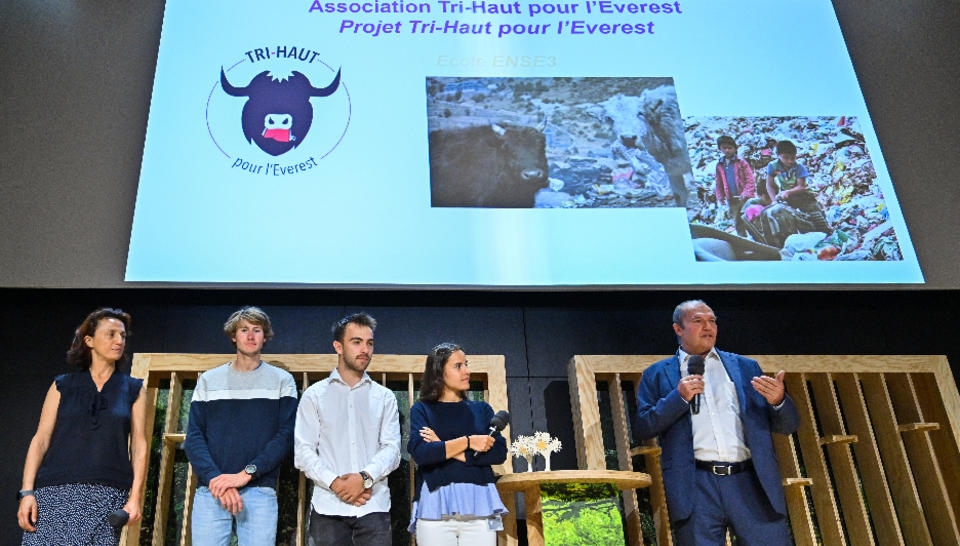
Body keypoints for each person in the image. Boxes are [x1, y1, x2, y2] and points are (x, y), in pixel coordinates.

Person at [634, 300, 800, 545]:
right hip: (695, 486)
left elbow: (788, 426)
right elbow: (643, 426)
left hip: (750, 482)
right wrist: (678, 398)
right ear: (678, 329)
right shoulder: (658, 374)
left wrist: (778, 401)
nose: (708, 326)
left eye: (712, 321)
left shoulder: (745, 367)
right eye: (698, 321)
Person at [17, 308, 147, 545]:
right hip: (54, 492)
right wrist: (27, 492)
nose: (119, 341)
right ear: (90, 341)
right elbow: (41, 440)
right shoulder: (62, 385)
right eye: (111, 334)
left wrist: (135, 497)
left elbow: (139, 445)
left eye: (123, 336)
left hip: (107, 493)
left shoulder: (133, 388)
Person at [183, 306, 297, 544]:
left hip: (259, 490)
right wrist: (217, 479)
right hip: (211, 490)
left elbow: (285, 436)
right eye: (244, 330)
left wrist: (245, 475)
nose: (251, 335)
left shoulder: (282, 381)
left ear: (265, 337)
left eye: (257, 330)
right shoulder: (208, 380)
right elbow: (194, 437)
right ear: (233, 336)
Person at [294, 313, 401, 545]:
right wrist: (336, 483)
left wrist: (363, 478)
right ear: (338, 347)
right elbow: (303, 452)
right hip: (327, 509)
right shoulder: (314, 395)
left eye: (369, 343)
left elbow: (392, 450)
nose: (365, 349)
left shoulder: (385, 397)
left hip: (373, 507)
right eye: (356, 342)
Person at [407, 343, 508, 546]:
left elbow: (498, 452)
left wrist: (443, 446)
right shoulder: (422, 410)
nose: (467, 371)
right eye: (458, 366)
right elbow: (422, 453)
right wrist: (469, 442)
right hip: (434, 509)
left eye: (466, 365)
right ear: (438, 372)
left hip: (479, 506)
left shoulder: (482, 409)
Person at [764, 139, 830, 234]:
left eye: (793, 158)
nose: (790, 161)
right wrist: (774, 200)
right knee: (789, 221)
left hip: (803, 196)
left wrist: (788, 192)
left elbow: (801, 187)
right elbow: (769, 185)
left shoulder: (798, 167)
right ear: (778, 155)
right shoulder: (773, 166)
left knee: (819, 220)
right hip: (787, 198)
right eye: (786, 158)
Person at [714, 135, 756, 231]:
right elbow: (718, 182)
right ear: (720, 149)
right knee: (737, 221)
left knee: (749, 218)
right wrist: (720, 196)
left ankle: (753, 237)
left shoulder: (741, 163)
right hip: (731, 198)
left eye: (730, 148)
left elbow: (750, 179)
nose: (727, 150)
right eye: (724, 148)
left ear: (735, 148)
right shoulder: (720, 165)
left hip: (745, 198)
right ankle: (742, 239)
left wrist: (746, 193)